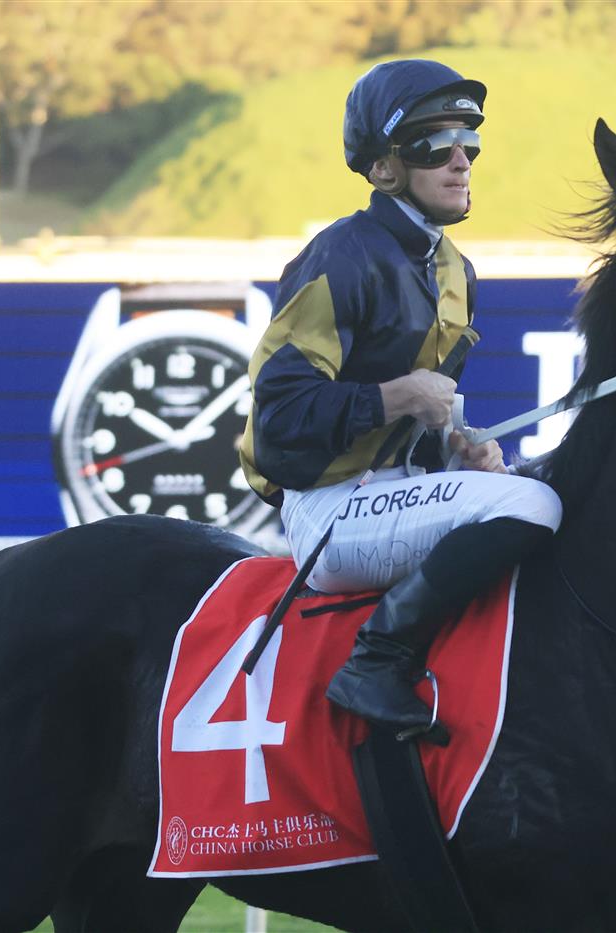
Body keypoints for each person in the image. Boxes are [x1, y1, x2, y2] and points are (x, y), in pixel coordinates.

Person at [237, 59, 562, 743]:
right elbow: (279, 423)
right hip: (325, 510)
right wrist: (396, 395)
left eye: (468, 141)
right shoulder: (340, 257)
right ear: (383, 168)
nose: (459, 160)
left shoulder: (455, 272)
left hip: (398, 490)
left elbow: (420, 418)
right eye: (431, 144)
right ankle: (374, 662)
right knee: (532, 505)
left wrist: (459, 448)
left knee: (550, 483)